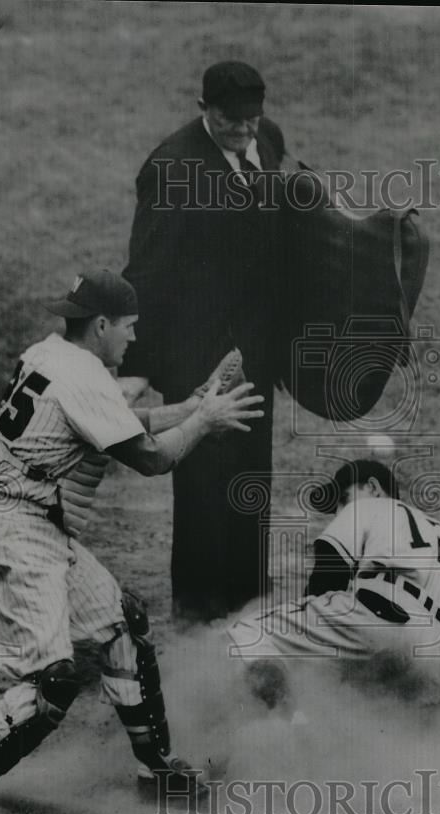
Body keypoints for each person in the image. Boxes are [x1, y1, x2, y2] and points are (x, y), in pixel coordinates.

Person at [0, 269, 264, 814]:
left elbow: (122, 423)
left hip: (32, 528)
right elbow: (151, 459)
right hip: (15, 534)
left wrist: (190, 405)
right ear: (101, 324)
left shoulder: (52, 355)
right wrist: (203, 420)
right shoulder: (82, 375)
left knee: (121, 627)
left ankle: (156, 773)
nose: (133, 338)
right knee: (53, 680)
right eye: (128, 328)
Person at [119, 60, 288, 623]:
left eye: (250, 118)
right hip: (196, 356)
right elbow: (145, 271)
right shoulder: (170, 167)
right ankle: (196, 622)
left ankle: (250, 610)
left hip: (254, 352)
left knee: (250, 480)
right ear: (203, 110)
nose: (243, 129)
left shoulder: (266, 139)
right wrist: (138, 366)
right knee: (202, 490)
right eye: (229, 119)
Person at [229, 460, 440, 726]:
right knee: (372, 719)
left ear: (373, 488)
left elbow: (325, 585)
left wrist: (297, 656)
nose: (339, 510)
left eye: (344, 497)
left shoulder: (368, 507)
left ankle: (290, 729)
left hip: (381, 621)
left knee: (247, 632)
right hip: (436, 664)